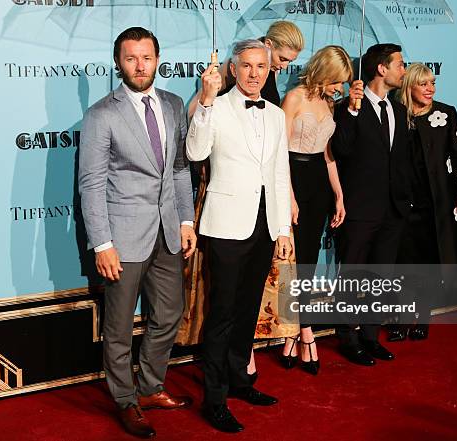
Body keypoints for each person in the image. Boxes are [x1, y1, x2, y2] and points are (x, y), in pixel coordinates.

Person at [78, 27, 196, 439]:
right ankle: (126, 401)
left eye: (146, 57)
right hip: (123, 239)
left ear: (158, 59)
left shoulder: (174, 104)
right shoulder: (100, 114)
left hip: (167, 232)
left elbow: (180, 169)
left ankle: (149, 387)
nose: (140, 66)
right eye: (131, 58)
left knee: (168, 315)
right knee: (119, 327)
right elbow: (91, 184)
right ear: (118, 63)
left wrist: (186, 220)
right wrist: (103, 244)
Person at [186, 39, 292, 433]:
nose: (253, 74)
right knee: (222, 313)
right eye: (246, 66)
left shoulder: (277, 115)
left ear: (269, 70)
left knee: (248, 310)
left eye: (260, 67)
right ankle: (213, 398)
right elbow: (196, 153)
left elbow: (280, 173)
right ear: (233, 68)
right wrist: (208, 101)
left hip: (264, 225)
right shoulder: (215, 106)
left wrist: (283, 229)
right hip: (227, 225)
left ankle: (238, 381)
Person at [331, 43, 412, 366]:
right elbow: (342, 150)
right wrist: (351, 110)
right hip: (359, 208)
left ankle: (369, 335)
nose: (404, 71)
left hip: (393, 209)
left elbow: (400, 161)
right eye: (400, 65)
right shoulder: (351, 106)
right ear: (382, 68)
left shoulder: (399, 110)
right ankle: (348, 338)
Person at [278, 46, 352, 375]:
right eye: (338, 81)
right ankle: (305, 332)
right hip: (292, 178)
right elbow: (277, 151)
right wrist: (289, 196)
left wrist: (338, 196)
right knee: (291, 264)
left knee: (307, 262)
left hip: (320, 185)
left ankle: (295, 333)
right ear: (325, 73)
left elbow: (327, 155)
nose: (341, 88)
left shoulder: (330, 103)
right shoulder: (294, 98)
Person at [388, 63, 457, 341]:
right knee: (404, 261)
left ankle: (423, 317)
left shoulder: (446, 114)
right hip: (402, 202)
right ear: (408, 86)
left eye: (432, 83)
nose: (430, 89)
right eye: (423, 84)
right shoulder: (396, 114)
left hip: (437, 202)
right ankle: (400, 319)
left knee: (429, 260)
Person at [188, 20, 304, 116]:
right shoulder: (238, 62)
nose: (284, 66)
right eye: (282, 59)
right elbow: (198, 105)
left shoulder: (274, 67)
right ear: (268, 45)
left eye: (290, 61)